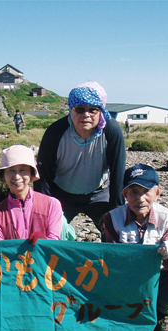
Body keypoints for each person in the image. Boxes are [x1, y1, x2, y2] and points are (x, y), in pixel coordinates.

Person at [101, 164, 168, 331]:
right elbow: (110, 257)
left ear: (157, 193)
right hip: (126, 276)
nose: (140, 198)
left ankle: (163, 312)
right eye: (134, 191)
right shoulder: (111, 218)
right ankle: (127, 312)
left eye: (146, 191)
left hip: (157, 276)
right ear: (124, 194)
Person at [35, 81, 125, 228]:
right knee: (51, 235)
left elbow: (118, 172)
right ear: (71, 110)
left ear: (101, 111)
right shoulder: (55, 132)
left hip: (99, 193)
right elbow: (43, 175)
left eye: (93, 110)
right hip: (62, 194)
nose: (86, 115)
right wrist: (43, 212)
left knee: (113, 231)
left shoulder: (111, 130)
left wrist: (116, 211)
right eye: (80, 109)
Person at [0, 145, 64, 241]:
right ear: (3, 175)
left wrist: (43, 241)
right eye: (11, 170)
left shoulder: (52, 205)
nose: (17, 176)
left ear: (31, 173)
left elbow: (53, 245)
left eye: (23, 170)